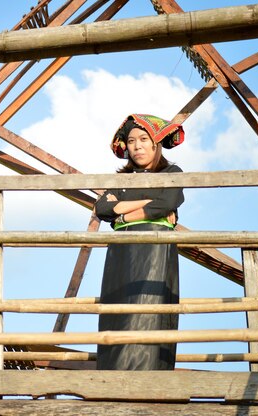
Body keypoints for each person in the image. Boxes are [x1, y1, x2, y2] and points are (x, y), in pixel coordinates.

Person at [94, 114, 185, 371]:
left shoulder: (172, 172)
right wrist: (145, 205)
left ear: (156, 142)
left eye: (144, 139)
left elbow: (167, 203)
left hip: (155, 251)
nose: (137, 146)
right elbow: (102, 208)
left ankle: (151, 377)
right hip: (121, 254)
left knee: (150, 309)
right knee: (118, 311)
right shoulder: (122, 180)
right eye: (131, 141)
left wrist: (120, 213)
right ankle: (112, 377)